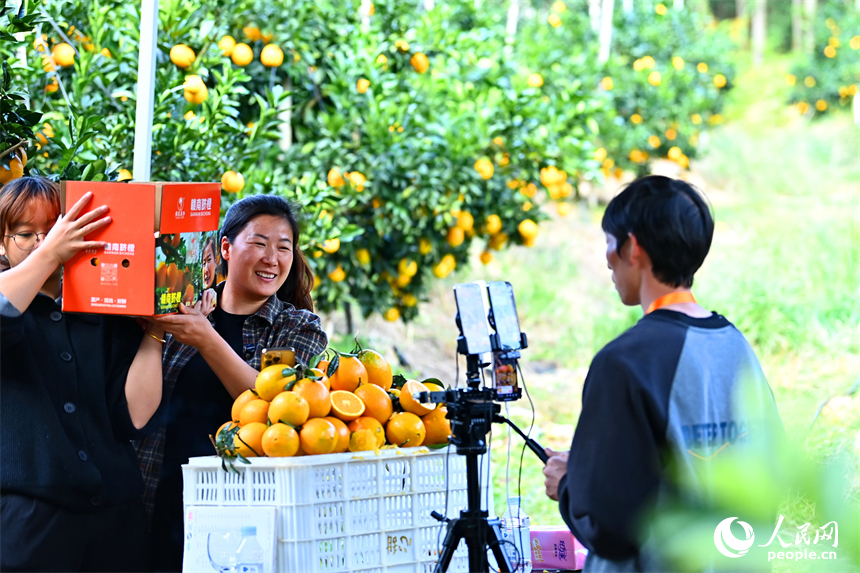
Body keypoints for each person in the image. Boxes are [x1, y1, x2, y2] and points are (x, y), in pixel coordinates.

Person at [542, 176, 783, 572]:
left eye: (609, 242)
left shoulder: (623, 362)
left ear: (632, 247)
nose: (606, 258)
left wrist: (568, 485)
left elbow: (610, 527)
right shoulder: (735, 345)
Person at [135, 194, 328, 572]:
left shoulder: (297, 327)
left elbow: (277, 407)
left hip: (238, 513)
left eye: (283, 247)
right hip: (157, 494)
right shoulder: (183, 309)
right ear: (226, 246)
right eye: (258, 243)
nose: (271, 258)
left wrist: (206, 337)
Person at [0, 176, 166, 571]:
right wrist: (52, 254)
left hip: (116, 515)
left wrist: (157, 331)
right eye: (26, 234)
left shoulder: (105, 304)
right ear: (2, 242)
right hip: (29, 522)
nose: (44, 243)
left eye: (56, 231)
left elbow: (134, 417)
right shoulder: (11, 302)